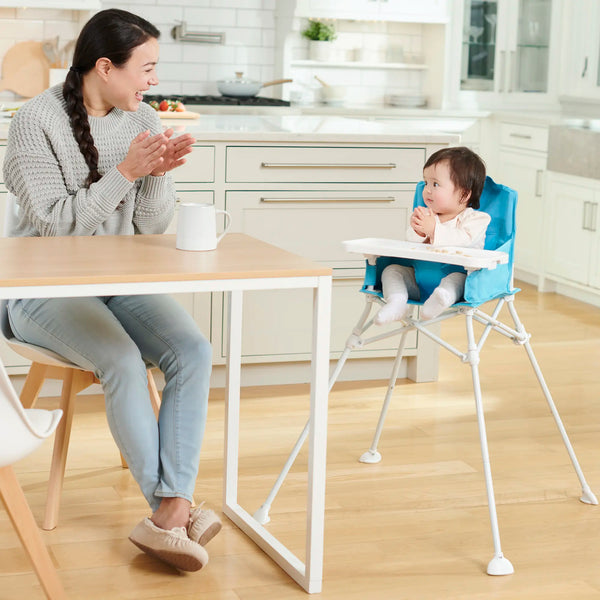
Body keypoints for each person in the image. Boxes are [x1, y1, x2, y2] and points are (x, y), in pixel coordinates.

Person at [3, 9, 222, 572]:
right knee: (123, 359)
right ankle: (171, 512)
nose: (152, 81)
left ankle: (172, 507)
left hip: (115, 283)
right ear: (105, 66)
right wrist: (125, 171)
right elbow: (51, 226)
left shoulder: (140, 116)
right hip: (38, 289)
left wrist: (157, 173)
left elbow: (150, 226)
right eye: (145, 68)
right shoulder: (35, 121)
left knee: (193, 350)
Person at [374, 146, 489, 324]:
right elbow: (409, 245)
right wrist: (418, 232)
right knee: (391, 270)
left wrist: (434, 230)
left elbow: (464, 241)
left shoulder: (477, 219)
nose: (427, 190)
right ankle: (397, 302)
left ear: (464, 194)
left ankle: (441, 298)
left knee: (457, 280)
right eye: (426, 182)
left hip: (458, 281)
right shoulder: (428, 216)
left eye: (435, 184)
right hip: (419, 278)